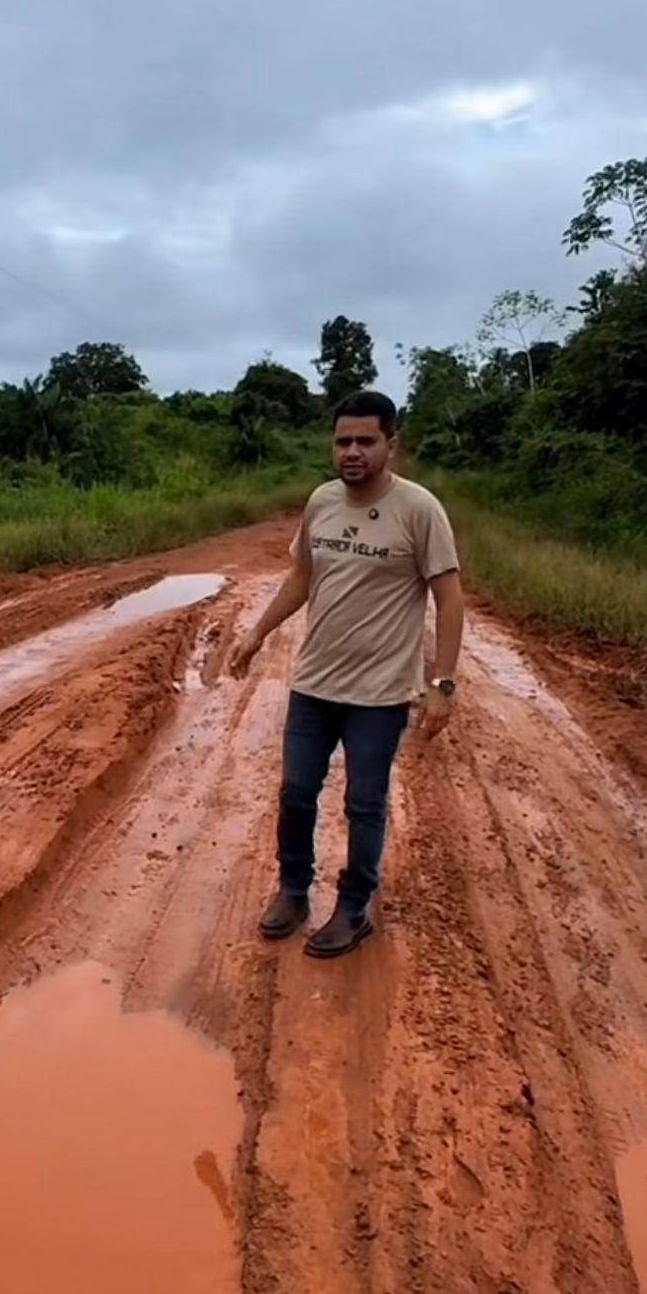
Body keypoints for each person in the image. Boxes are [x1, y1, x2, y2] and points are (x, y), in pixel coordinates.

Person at [227, 390, 464, 958]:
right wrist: (256, 633)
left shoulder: (419, 509)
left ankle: (354, 907)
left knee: (364, 802)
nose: (352, 452)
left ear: (391, 445)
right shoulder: (321, 502)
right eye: (342, 441)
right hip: (313, 685)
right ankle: (292, 889)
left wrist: (443, 684)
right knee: (296, 793)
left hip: (379, 696)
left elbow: (449, 600)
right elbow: (302, 577)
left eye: (365, 441)